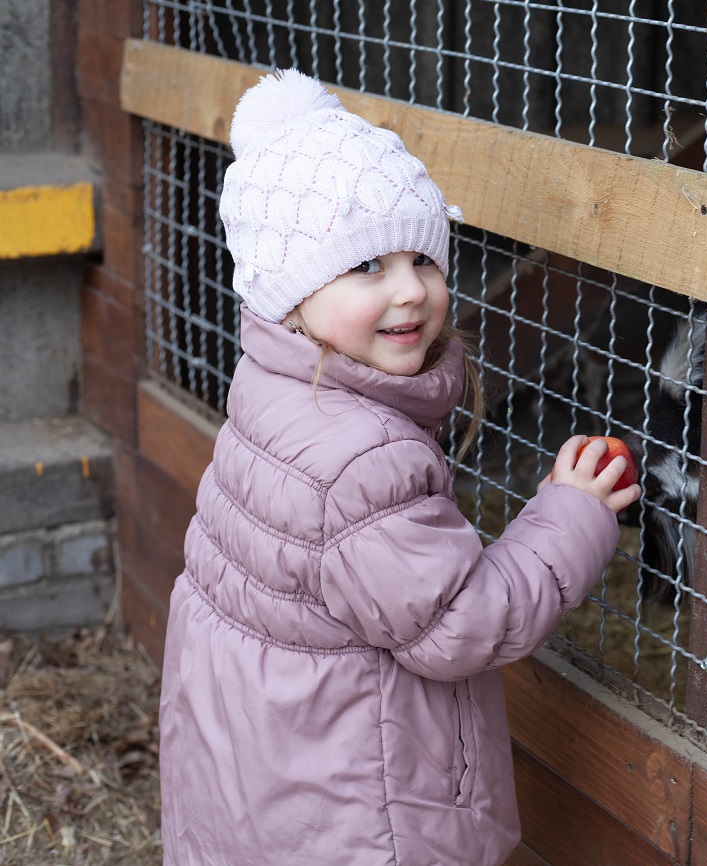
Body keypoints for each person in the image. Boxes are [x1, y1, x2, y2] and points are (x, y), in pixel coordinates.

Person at [158, 69, 640, 866]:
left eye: (424, 256)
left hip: (263, 767)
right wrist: (572, 513)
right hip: (354, 807)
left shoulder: (271, 386)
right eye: (366, 267)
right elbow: (460, 623)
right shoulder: (363, 457)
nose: (411, 290)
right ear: (292, 288)